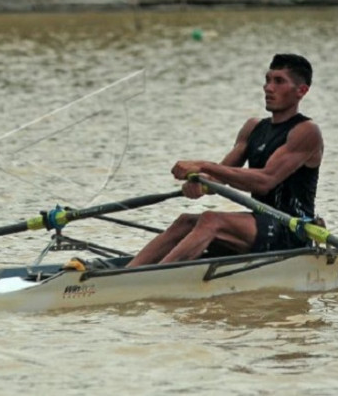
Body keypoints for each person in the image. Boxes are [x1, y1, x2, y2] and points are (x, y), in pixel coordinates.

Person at [128, 53, 323, 267]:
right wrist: (201, 182)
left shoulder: (306, 131)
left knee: (211, 220)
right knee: (185, 222)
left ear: (301, 91)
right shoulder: (253, 128)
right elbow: (220, 176)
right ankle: (126, 274)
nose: (268, 88)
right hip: (260, 224)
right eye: (267, 80)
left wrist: (203, 165)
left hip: (292, 231)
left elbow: (264, 181)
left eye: (279, 81)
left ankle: (154, 278)